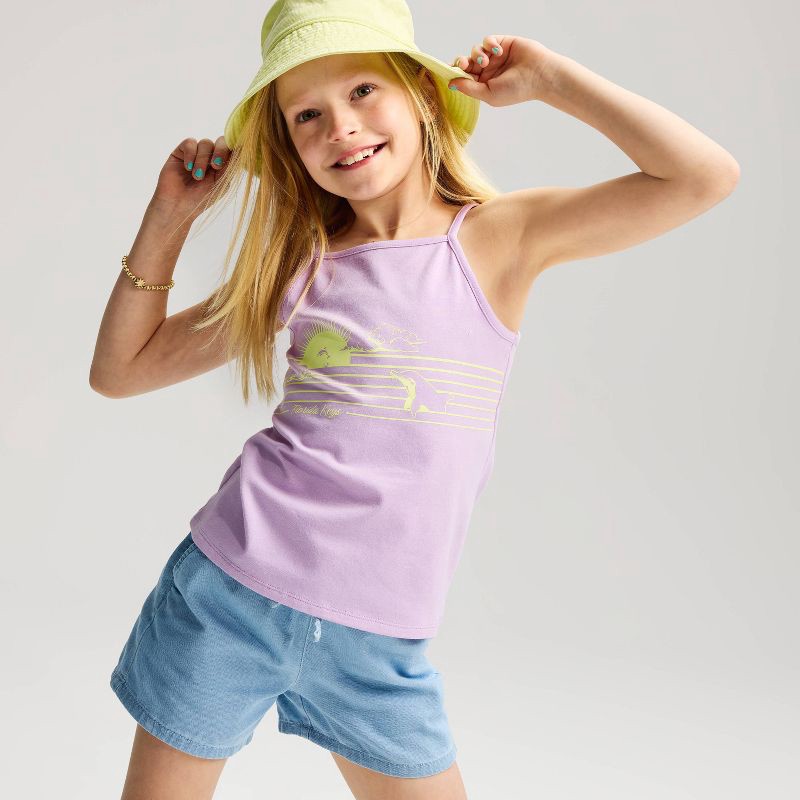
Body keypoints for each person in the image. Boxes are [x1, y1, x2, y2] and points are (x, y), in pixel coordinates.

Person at [90, 1, 739, 798]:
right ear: (290, 145)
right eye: (306, 115)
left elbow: (704, 177)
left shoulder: (499, 238)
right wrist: (169, 219)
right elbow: (122, 370)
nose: (341, 126)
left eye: (364, 90)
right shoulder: (301, 264)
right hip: (228, 596)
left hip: (378, 645)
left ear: (424, 97)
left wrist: (552, 80)